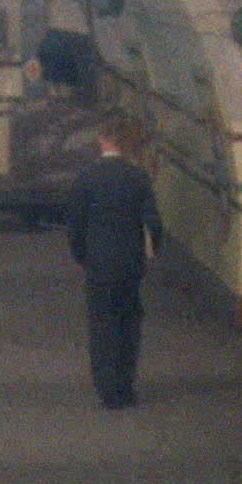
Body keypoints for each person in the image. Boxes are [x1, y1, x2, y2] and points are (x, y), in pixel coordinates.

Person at [67, 113, 163, 409]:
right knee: (128, 323)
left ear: (100, 140)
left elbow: (76, 224)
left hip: (98, 263)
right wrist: (150, 252)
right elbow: (154, 222)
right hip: (130, 263)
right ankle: (125, 386)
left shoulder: (86, 178)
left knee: (101, 324)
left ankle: (106, 388)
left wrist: (80, 255)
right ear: (123, 141)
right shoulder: (138, 177)